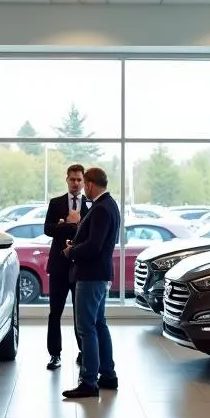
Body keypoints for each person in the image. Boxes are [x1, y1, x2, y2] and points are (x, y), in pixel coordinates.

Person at [62, 166, 120, 399]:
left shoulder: (100, 209)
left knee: (86, 328)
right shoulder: (110, 206)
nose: (83, 187)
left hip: (90, 275)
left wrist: (71, 251)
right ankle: (107, 375)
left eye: (84, 183)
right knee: (98, 325)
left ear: (90, 184)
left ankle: (88, 381)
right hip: (99, 274)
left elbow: (94, 246)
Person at [43, 164, 89, 370]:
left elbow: (91, 234)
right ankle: (55, 355)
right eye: (73, 179)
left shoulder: (91, 204)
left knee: (82, 314)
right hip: (59, 266)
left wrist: (73, 225)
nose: (76, 183)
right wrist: (68, 225)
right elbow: (47, 229)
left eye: (79, 180)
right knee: (55, 312)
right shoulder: (56, 203)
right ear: (67, 179)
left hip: (81, 266)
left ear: (84, 181)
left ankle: (84, 352)